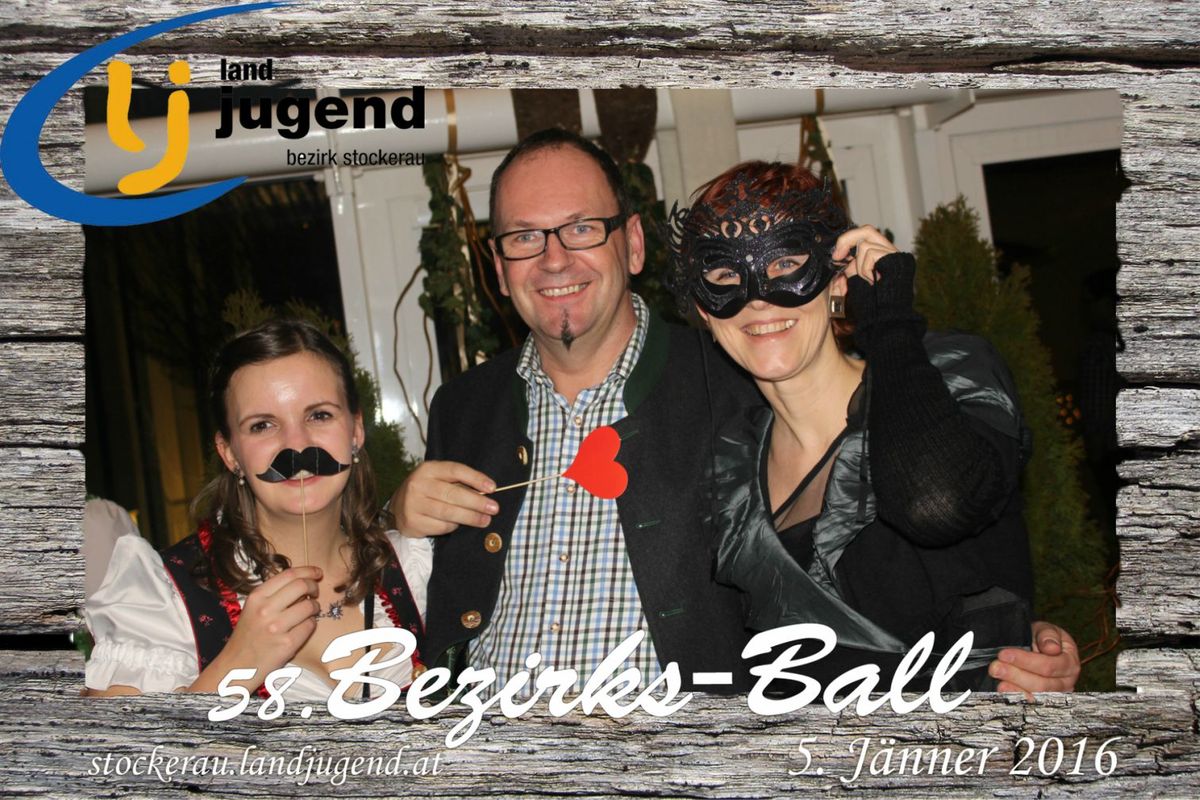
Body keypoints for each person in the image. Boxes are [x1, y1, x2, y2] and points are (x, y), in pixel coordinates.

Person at [392, 128, 1079, 696]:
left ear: (633, 244)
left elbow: (938, 507)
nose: (553, 259)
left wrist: (1013, 631)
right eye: (524, 237)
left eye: (581, 228)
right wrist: (394, 519)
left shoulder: (729, 389)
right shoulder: (464, 408)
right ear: (498, 263)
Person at [666, 160, 1058, 690]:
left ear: (836, 278)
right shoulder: (729, 469)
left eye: (786, 263)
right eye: (724, 275)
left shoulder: (950, 379)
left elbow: (935, 505)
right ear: (703, 309)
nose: (757, 297)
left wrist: (887, 319)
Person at [85, 320, 429, 700]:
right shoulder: (164, 599)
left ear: (356, 431)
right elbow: (112, 739)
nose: (297, 445)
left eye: (319, 415)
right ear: (230, 453)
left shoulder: (411, 569)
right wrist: (238, 664)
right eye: (262, 425)